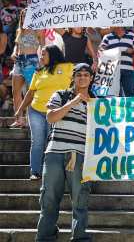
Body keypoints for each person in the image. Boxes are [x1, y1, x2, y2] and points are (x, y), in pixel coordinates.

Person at [35, 63, 94, 242]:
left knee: (80, 200)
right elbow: (51, 117)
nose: (82, 77)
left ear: (91, 78)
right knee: (49, 199)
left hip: (80, 156)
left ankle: (79, 237)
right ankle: (45, 237)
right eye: (79, 74)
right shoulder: (61, 95)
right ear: (73, 77)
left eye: (86, 74)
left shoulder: (96, 102)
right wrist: (73, 102)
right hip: (54, 153)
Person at [14, 45, 73, 180]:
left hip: (56, 112)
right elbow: (30, 92)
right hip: (35, 111)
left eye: (43, 54)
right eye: (41, 54)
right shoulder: (39, 71)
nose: (40, 57)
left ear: (52, 54)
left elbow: (82, 77)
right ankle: (35, 172)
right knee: (37, 142)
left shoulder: (68, 67)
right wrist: (20, 109)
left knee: (51, 142)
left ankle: (50, 172)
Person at [10, 13, 44, 128]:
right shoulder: (20, 30)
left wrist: (42, 62)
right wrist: (14, 52)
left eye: (27, 15)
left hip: (32, 61)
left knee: (31, 92)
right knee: (16, 92)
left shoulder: (38, 29)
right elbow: (17, 46)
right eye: (23, 16)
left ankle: (32, 121)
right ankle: (19, 120)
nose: (25, 18)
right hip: (19, 61)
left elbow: (43, 46)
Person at [99, 27, 134, 97]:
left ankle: (131, 108)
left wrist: (132, 50)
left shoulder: (131, 35)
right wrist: (108, 50)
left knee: (130, 92)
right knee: (116, 93)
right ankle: (117, 108)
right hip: (113, 69)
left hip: (128, 68)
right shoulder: (107, 36)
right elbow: (101, 48)